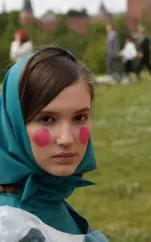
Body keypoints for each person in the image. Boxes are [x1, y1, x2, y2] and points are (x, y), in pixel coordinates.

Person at [0, 47, 108, 241]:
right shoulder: (11, 228)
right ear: (14, 125)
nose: (66, 139)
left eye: (80, 117)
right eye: (47, 119)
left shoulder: (49, 199)